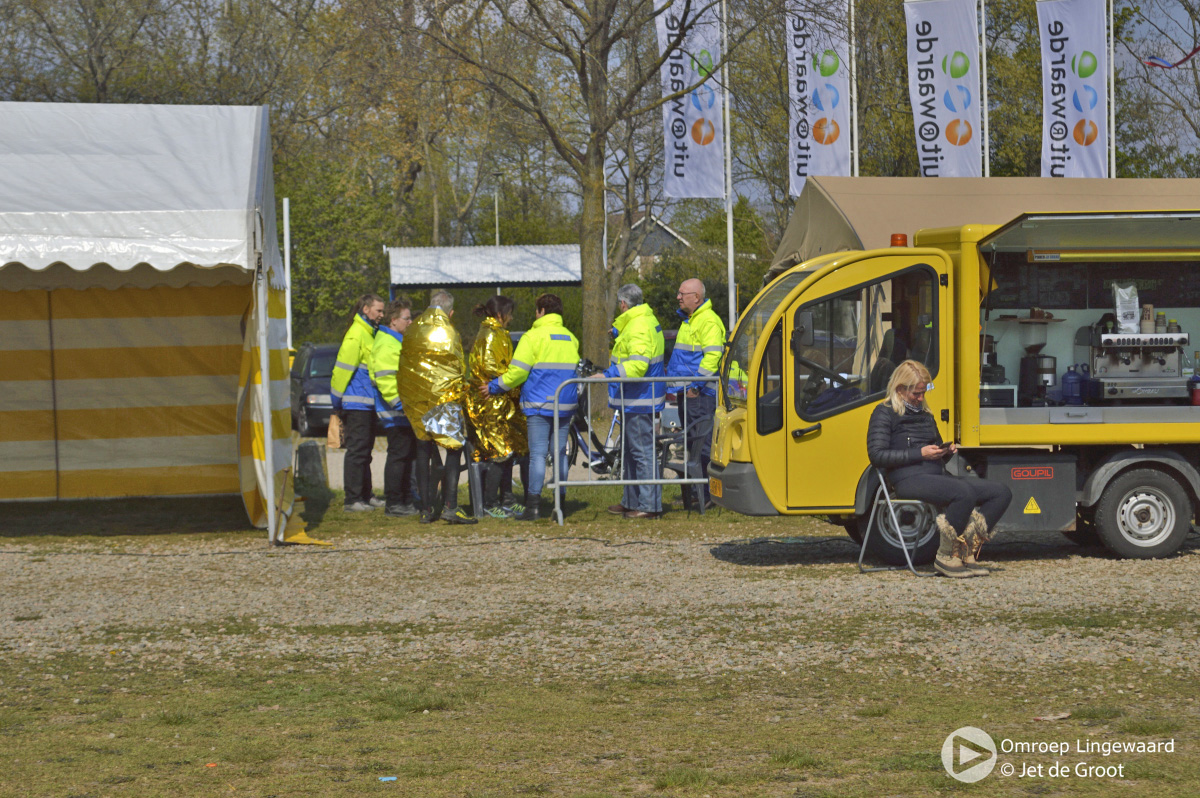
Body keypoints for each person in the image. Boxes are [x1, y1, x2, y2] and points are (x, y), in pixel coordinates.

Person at [866, 360, 1011, 578]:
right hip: (907, 479)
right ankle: (945, 557)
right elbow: (877, 456)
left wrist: (946, 451)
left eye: (924, 392)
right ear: (900, 388)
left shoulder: (925, 414)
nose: (921, 398)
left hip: (935, 474)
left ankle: (965, 550)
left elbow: (935, 450)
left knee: (1000, 493)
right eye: (916, 393)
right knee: (963, 493)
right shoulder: (883, 412)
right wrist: (920, 453)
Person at [481, 293, 579, 521]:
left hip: (538, 404)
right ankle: (560, 504)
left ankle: (533, 506)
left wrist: (493, 387)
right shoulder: (571, 338)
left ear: (541, 311)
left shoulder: (532, 337)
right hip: (564, 404)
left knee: (537, 455)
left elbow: (517, 373)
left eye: (536, 310)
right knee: (560, 454)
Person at [397, 291, 476, 525]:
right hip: (443, 399)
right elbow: (458, 368)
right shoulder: (450, 331)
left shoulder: (411, 329)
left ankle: (426, 508)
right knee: (453, 448)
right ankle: (451, 506)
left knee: (423, 449)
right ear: (450, 312)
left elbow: (403, 364)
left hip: (416, 399)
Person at [593, 283, 666, 519]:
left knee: (641, 453)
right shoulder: (641, 321)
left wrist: (608, 375)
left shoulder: (638, 326)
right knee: (631, 452)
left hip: (639, 398)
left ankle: (648, 506)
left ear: (623, 304)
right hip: (636, 398)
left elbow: (637, 365)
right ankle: (633, 501)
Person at [664, 278, 726, 509]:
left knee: (703, 445)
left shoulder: (707, 321)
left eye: (682, 293)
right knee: (693, 445)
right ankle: (697, 493)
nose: (678, 297)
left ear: (696, 297)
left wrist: (695, 387)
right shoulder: (692, 320)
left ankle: (709, 495)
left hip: (700, 395)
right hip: (690, 393)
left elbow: (713, 357)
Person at [465, 295, 528, 519]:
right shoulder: (491, 334)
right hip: (489, 404)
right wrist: (514, 379)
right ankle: (490, 502)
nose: (512, 318)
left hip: (500, 401)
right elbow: (492, 367)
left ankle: (507, 499)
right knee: (498, 452)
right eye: (509, 314)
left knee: (508, 451)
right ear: (501, 314)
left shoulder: (498, 332)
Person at [331, 293, 384, 512]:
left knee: (365, 452)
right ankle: (352, 499)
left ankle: (365, 495)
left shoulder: (369, 333)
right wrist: (336, 401)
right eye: (378, 310)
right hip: (356, 405)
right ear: (366, 309)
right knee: (357, 452)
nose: (382, 314)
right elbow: (341, 371)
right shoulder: (356, 335)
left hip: (367, 403)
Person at [372, 298, 418, 516]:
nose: (410, 322)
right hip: (395, 410)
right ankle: (394, 502)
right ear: (393, 320)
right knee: (399, 456)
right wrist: (399, 403)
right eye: (406, 318)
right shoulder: (387, 344)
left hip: (403, 409)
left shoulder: (396, 341)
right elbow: (386, 379)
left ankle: (405, 499)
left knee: (406, 456)